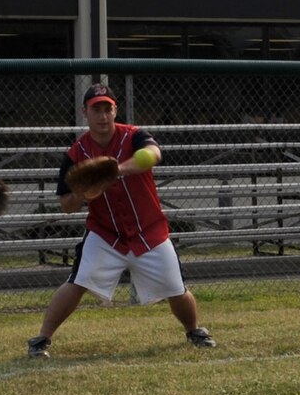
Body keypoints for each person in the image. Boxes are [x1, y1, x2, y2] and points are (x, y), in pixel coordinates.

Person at [26, 84, 215, 356]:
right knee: (77, 281)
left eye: (107, 109)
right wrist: (82, 189)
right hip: (106, 234)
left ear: (115, 111)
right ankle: (41, 339)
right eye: (96, 110)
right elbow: (66, 206)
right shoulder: (76, 153)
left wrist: (114, 170)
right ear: (84, 113)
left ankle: (194, 330)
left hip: (147, 230)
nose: (102, 116)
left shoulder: (134, 136)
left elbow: (154, 155)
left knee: (176, 287)